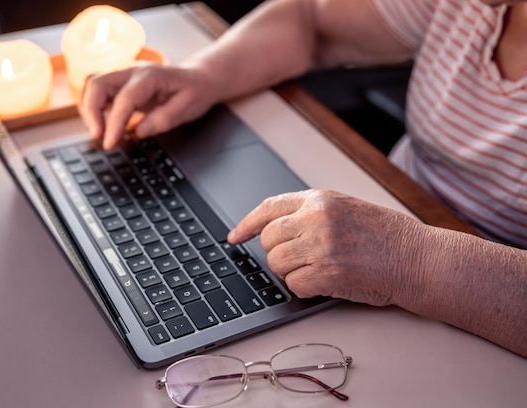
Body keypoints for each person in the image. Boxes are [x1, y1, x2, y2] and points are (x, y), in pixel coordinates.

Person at [78, 0, 527, 357]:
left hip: (476, 302)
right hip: (386, 219)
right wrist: (202, 74)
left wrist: (409, 258)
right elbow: (311, 20)